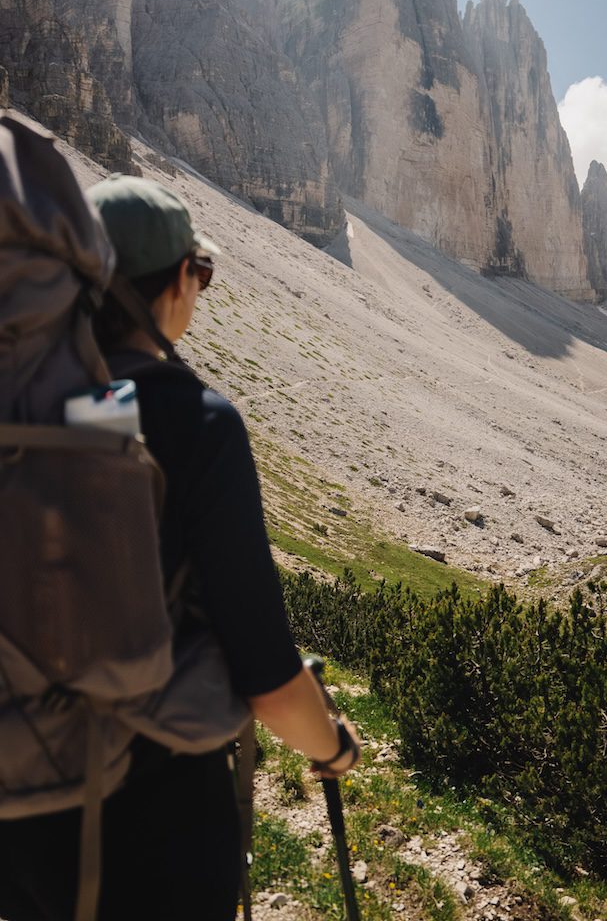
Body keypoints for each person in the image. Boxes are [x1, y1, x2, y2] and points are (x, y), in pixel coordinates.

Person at [0, 174, 360, 921]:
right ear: (170, 285)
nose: (200, 290)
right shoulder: (193, 422)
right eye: (201, 272)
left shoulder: (26, 413)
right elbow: (267, 676)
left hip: (23, 813)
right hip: (154, 826)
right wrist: (331, 745)